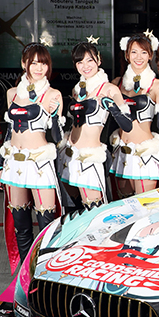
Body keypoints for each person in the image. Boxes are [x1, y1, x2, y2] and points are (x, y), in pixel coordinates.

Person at [0, 42, 64, 273]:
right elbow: (8, 132)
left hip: (40, 164)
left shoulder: (53, 94)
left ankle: (46, 274)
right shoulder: (12, 94)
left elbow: (58, 137)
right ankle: (26, 274)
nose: (39, 68)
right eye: (34, 63)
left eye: (43, 63)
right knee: (21, 225)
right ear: (24, 64)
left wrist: (54, 116)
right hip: (14, 163)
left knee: (47, 225)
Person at [57, 37, 132, 209]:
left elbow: (128, 125)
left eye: (90, 60)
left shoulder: (109, 89)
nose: (85, 66)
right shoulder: (77, 90)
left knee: (95, 211)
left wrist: (112, 106)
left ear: (98, 60)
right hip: (69, 155)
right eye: (80, 62)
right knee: (75, 210)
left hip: (90, 158)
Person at [110, 31, 159, 197]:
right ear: (127, 55)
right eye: (134, 52)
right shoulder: (116, 84)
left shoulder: (157, 85)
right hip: (121, 153)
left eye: (144, 52)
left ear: (150, 55)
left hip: (144, 155)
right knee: (122, 205)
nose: (138, 57)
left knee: (146, 207)